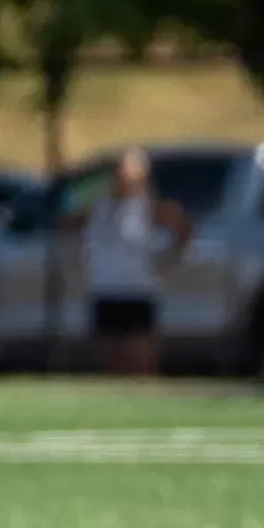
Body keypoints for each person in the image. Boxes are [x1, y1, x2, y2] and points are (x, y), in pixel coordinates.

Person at [82, 148, 190, 376]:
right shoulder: (98, 208)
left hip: (137, 292)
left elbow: (182, 226)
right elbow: (66, 217)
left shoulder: (150, 208)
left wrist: (172, 256)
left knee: (140, 361)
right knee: (109, 362)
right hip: (105, 291)